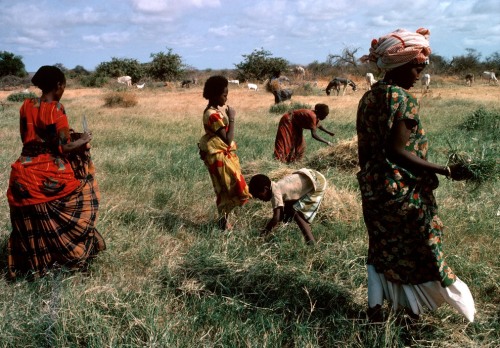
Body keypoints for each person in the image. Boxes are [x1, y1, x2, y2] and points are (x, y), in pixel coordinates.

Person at [357, 28, 475, 322]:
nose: (419, 72)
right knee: (420, 249)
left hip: (374, 189)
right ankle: (414, 310)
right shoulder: (403, 99)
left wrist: (369, 182)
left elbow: (365, 150)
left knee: (383, 249)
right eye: (415, 66)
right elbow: (397, 151)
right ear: (397, 66)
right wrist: (445, 170)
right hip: (401, 191)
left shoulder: (370, 97)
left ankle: (379, 307)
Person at [6, 65, 105, 280]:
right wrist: (83, 139)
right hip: (48, 172)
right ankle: (68, 256)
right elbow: (64, 148)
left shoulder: (25, 106)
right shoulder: (56, 109)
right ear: (59, 85)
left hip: (22, 173)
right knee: (85, 190)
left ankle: (31, 266)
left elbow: (28, 137)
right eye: (64, 86)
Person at [198, 75, 251, 230]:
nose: (226, 99)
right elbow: (227, 140)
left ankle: (224, 220)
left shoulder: (215, 111)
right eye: (224, 95)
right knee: (226, 188)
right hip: (219, 156)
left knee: (228, 188)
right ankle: (223, 222)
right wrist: (232, 118)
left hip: (222, 155)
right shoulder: (212, 114)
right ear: (215, 95)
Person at [248, 168, 326, 244]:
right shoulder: (277, 186)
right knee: (289, 208)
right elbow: (281, 214)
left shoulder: (275, 193)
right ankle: (288, 231)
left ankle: (311, 242)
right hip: (310, 175)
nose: (260, 199)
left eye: (259, 196)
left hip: (317, 181)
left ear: (266, 189)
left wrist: (263, 234)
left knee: (297, 213)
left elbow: (277, 218)